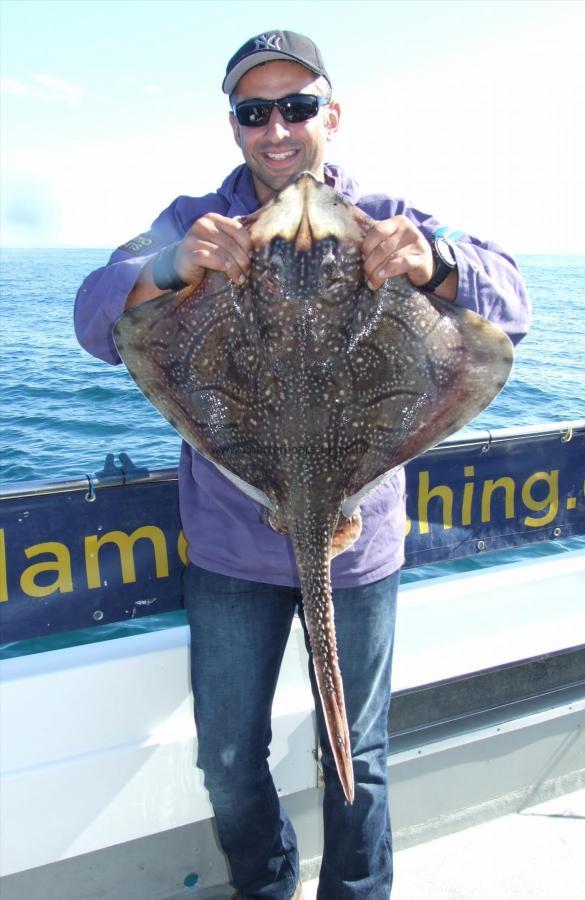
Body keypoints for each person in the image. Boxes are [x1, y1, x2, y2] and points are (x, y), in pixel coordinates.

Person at [75, 29, 530, 900]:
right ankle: (266, 886)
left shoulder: (395, 212)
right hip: (229, 552)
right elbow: (95, 315)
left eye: (296, 106)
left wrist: (431, 262)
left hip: (355, 552)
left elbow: (512, 300)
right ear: (235, 126)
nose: (276, 128)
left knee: (354, 750)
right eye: (255, 112)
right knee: (228, 754)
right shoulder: (188, 219)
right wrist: (173, 266)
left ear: (331, 115)